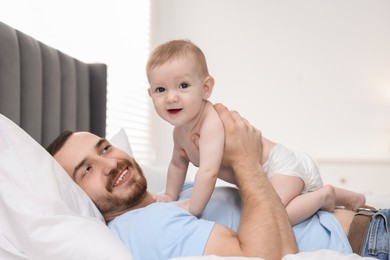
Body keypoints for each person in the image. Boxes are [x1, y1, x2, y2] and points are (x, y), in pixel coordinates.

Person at [47, 104, 389, 259]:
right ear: (73, 194)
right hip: (370, 241)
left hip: (372, 225)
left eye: (104, 147)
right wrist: (244, 159)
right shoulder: (146, 227)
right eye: (86, 170)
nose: (109, 164)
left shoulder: (168, 198)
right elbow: (266, 256)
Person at [146, 39, 366, 224]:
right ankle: (353, 198)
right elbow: (177, 164)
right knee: (285, 201)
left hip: (278, 167)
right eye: (161, 89)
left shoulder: (210, 122)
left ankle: (325, 195)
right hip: (271, 176)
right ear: (150, 94)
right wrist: (169, 195)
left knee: (273, 218)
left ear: (206, 88)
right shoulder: (179, 134)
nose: (171, 97)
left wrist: (194, 208)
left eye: (183, 85)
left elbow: (208, 172)